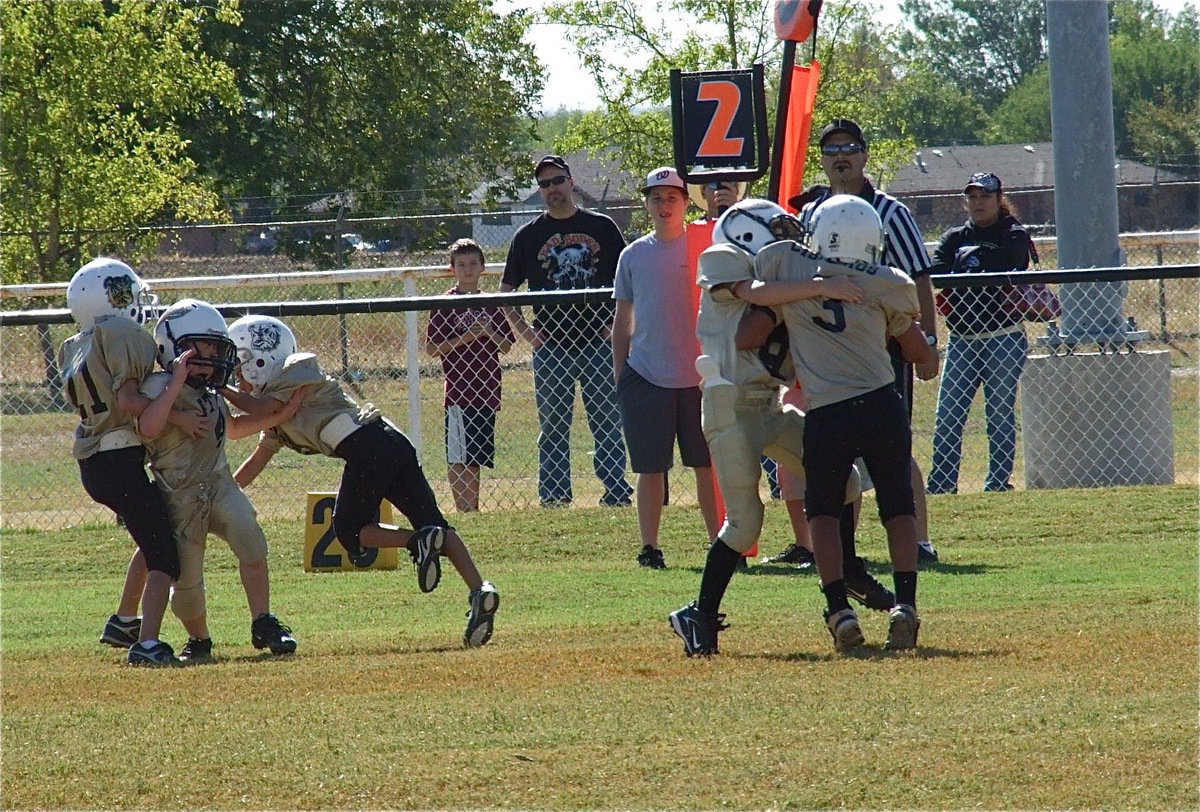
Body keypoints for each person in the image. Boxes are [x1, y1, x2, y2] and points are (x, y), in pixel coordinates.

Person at [668, 199, 885, 658]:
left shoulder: (787, 279)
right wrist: (817, 285)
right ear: (746, 232)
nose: (791, 238)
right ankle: (699, 613)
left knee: (843, 480)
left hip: (771, 402)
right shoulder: (723, 257)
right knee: (745, 525)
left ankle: (846, 567)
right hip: (730, 405)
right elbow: (754, 299)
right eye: (781, 228)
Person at [227, 315, 500, 648]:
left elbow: (257, 408)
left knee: (349, 532)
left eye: (239, 368)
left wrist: (217, 388)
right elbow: (258, 458)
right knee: (437, 527)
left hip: (368, 447)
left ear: (258, 359)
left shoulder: (295, 371)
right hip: (389, 443)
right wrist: (227, 492)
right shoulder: (277, 408)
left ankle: (417, 542)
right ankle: (479, 590)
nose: (236, 378)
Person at [746, 194, 940, 651]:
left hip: (828, 410)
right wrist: (927, 347)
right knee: (897, 506)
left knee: (826, 515)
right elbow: (918, 354)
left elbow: (749, 333)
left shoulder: (791, 273)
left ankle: (839, 610)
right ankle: (906, 605)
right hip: (880, 404)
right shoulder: (886, 283)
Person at [795, 119, 941, 565]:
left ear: (865, 155)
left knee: (894, 448)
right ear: (821, 159)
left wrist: (929, 343)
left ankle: (918, 540)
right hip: (826, 351)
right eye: (831, 149)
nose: (841, 156)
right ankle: (844, 549)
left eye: (850, 147)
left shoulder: (891, 212)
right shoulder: (810, 213)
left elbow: (918, 278)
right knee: (836, 456)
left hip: (884, 349)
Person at [60, 257, 205, 666]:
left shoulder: (76, 342)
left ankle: (125, 621)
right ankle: (148, 644)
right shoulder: (123, 331)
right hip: (119, 458)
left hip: (95, 462)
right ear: (113, 297)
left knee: (152, 532)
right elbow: (128, 401)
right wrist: (176, 411)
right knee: (165, 558)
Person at [138, 299, 300, 662]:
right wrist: (177, 390)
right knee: (188, 581)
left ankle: (263, 622)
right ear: (173, 347)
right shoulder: (159, 385)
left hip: (219, 483)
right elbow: (147, 423)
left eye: (215, 348)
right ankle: (199, 640)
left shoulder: (210, 393)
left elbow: (233, 428)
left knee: (251, 539)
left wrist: (282, 416)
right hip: (179, 496)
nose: (213, 356)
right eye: (204, 348)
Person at [500, 155, 633, 508]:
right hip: (551, 346)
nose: (552, 189)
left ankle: (616, 492)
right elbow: (506, 291)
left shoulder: (602, 227)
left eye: (557, 180)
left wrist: (616, 326)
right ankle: (555, 496)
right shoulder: (527, 236)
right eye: (544, 184)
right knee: (554, 427)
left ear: (571, 182)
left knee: (607, 419)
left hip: (598, 342)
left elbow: (629, 281)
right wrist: (525, 333)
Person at [613, 167, 721, 569]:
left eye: (672, 198)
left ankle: (720, 544)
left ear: (686, 201)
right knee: (650, 468)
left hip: (702, 378)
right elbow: (623, 319)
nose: (664, 206)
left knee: (707, 466)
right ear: (647, 204)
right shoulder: (633, 255)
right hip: (647, 377)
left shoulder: (704, 245)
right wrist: (622, 375)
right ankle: (650, 548)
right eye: (656, 199)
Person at [926, 172, 1031, 494]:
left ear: (999, 199)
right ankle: (942, 486)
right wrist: (975, 263)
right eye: (972, 197)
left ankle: (997, 484)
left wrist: (969, 263)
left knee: (998, 416)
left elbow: (1011, 262)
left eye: (985, 196)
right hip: (961, 341)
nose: (978, 203)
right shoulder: (953, 236)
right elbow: (938, 273)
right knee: (948, 416)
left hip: (1004, 337)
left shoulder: (1013, 233)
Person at [425, 238, 516, 512]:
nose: (467, 269)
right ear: (452, 269)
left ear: (482, 268)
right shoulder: (445, 304)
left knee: (475, 456)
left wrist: (488, 332)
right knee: (457, 455)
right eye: (461, 264)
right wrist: (465, 337)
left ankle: (472, 508)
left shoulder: (490, 303)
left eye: (473, 264)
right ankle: (462, 508)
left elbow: (507, 345)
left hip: (486, 389)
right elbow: (432, 348)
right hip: (459, 391)